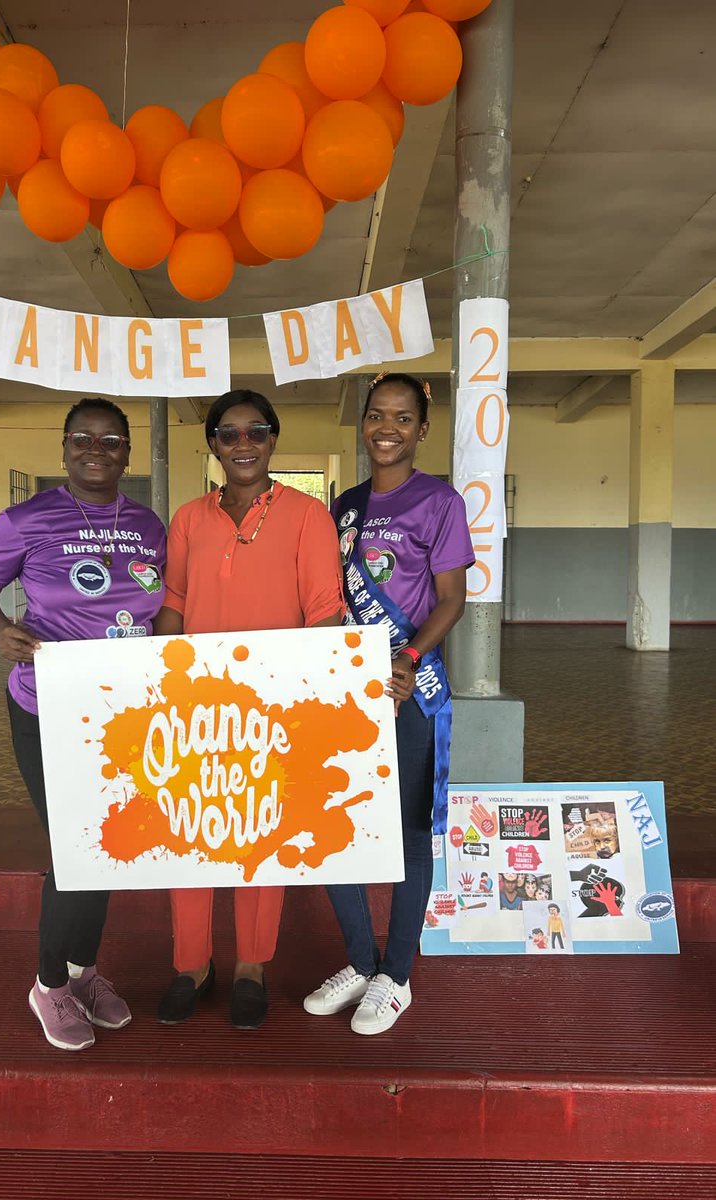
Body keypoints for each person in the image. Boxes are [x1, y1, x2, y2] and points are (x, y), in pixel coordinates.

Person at [0, 397, 166, 1052]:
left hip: (124, 714)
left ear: (127, 453)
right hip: (48, 706)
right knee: (76, 849)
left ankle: (83, 972)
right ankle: (49, 984)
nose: (96, 450)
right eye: (83, 439)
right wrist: (0, 631)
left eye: (110, 440)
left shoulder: (148, 525)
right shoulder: (26, 520)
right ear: (65, 448)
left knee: (110, 845)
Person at [154, 388, 344, 1030]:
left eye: (256, 432)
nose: (243, 444)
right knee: (190, 829)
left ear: (273, 440)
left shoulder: (308, 515)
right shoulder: (189, 518)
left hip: (274, 705)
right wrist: (154, 682)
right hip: (196, 704)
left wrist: (311, 696)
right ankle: (191, 965)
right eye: (228, 433)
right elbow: (174, 602)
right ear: (212, 444)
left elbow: (324, 612)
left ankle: (250, 968)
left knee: (260, 833)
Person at [303, 371, 474, 1036]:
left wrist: (410, 657)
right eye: (377, 415)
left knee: (406, 833)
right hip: (346, 692)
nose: (387, 428)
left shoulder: (440, 502)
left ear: (422, 430)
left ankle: (395, 975)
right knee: (333, 825)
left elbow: (452, 599)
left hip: (409, 690)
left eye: (403, 418)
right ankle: (359, 962)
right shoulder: (343, 506)